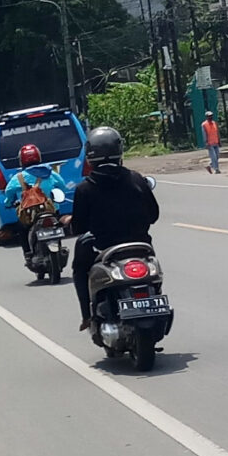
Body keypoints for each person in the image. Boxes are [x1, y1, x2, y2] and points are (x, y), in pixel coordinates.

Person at [68, 125, 159, 329]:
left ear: (90, 155)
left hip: (103, 251)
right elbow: (154, 215)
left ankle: (87, 316)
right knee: (154, 273)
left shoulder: (84, 189)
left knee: (80, 268)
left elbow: (78, 228)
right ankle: (155, 295)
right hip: (140, 247)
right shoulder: (136, 179)